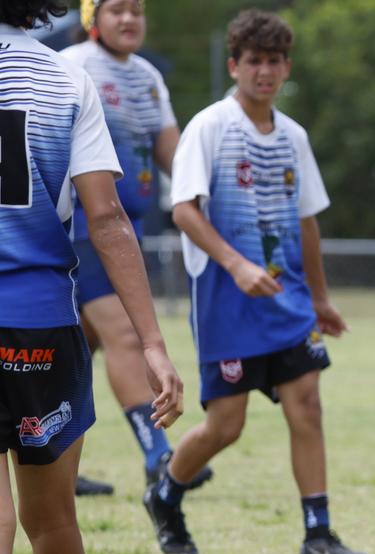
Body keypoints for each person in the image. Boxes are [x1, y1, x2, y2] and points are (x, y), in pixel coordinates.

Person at [0, 2, 183, 554]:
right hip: (41, 327)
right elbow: (105, 217)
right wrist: (154, 343)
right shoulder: (62, 75)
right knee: (53, 523)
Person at [150, 9, 367, 554]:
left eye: (274, 62)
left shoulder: (293, 136)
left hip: (288, 299)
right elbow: (184, 211)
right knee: (226, 425)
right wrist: (236, 264)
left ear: (285, 67)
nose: (264, 72)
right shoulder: (210, 126)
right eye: (254, 62)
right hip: (227, 298)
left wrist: (319, 298)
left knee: (307, 406)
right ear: (235, 65)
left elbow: (307, 221)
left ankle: (318, 534)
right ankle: (166, 493)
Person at [60, 0, 212, 499]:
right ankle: (157, 453)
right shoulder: (76, 65)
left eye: (138, 11)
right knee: (126, 333)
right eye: (116, 10)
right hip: (85, 226)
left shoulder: (147, 76)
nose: (129, 20)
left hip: (131, 228)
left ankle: (53, 453)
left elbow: (174, 153)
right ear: (92, 19)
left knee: (77, 349)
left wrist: (209, 197)